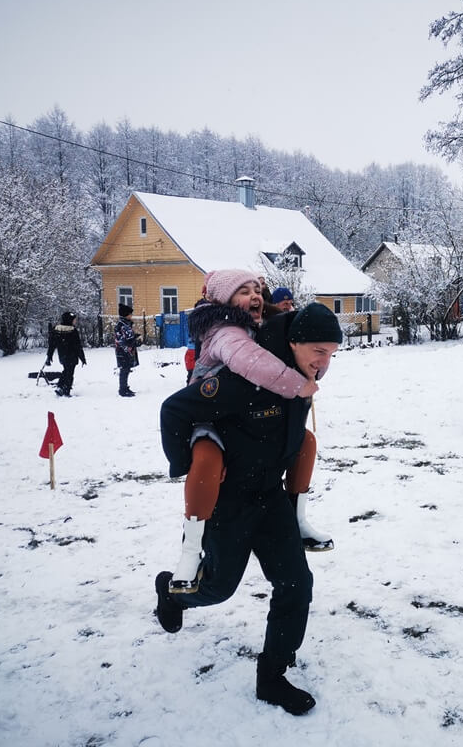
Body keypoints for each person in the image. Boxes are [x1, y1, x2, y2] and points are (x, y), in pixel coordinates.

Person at [155, 302, 343, 716]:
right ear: (293, 342)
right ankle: (172, 594)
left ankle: (272, 676)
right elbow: (174, 410)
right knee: (218, 590)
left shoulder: (299, 378)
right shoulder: (242, 380)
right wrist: (193, 466)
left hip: (271, 498)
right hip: (229, 503)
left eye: (331, 353)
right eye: (318, 350)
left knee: (296, 584)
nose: (324, 361)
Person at [169, 269, 324, 596]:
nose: (254, 296)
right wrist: (298, 386)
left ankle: (297, 517)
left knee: (306, 442)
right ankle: (190, 549)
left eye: (257, 289)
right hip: (210, 415)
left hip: (247, 419)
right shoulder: (225, 331)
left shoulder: (256, 324)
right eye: (243, 291)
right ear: (225, 300)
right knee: (209, 461)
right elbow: (250, 362)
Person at [45, 312, 87, 397]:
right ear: (70, 320)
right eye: (74, 319)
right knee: (69, 373)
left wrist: (49, 356)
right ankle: (66, 390)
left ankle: (60, 387)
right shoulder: (72, 331)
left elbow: (52, 345)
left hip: (62, 356)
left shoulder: (56, 330)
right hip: (72, 356)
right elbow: (77, 346)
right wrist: (82, 358)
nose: (75, 321)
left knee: (66, 371)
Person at [114, 304, 141, 397]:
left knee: (126, 369)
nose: (131, 316)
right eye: (130, 314)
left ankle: (125, 387)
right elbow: (122, 340)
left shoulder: (126, 324)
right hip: (123, 351)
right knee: (124, 370)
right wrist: (133, 340)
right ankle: (122, 389)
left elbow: (128, 337)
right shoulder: (121, 325)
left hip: (127, 351)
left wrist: (134, 338)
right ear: (126, 315)